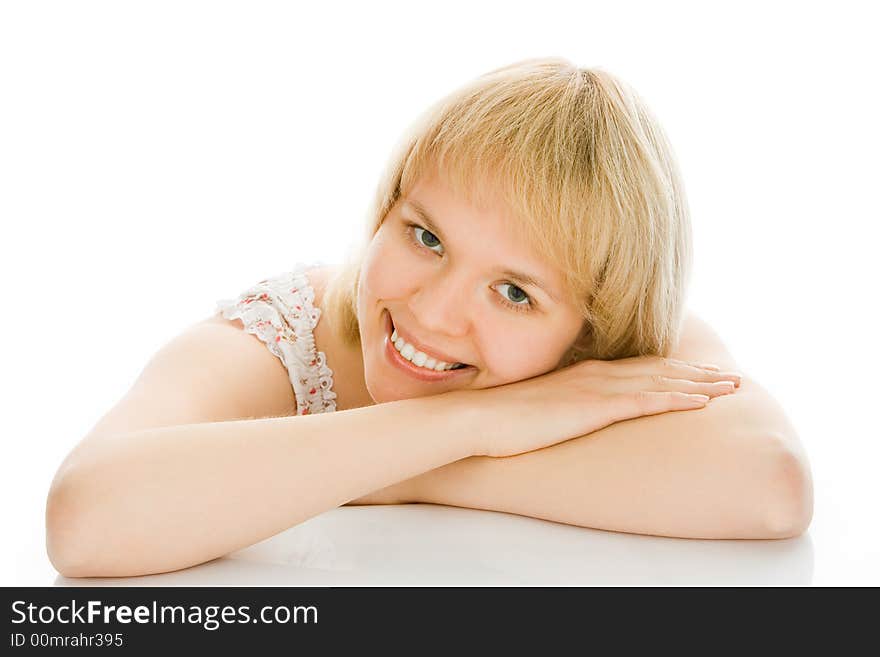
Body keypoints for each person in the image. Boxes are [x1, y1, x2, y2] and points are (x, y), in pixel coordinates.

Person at [45, 57, 813, 578]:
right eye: (427, 236)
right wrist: (466, 428)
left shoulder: (610, 349)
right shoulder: (285, 338)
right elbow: (85, 519)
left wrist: (403, 474)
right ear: (385, 210)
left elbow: (770, 483)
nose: (434, 311)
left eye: (515, 291)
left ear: (591, 336)